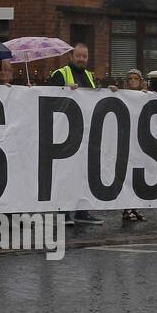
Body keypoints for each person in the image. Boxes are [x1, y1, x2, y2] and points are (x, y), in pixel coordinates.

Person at [49, 44, 103, 225]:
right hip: (64, 133)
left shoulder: (90, 76)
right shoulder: (60, 74)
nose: (81, 60)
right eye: (78, 56)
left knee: (84, 173)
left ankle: (82, 211)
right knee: (65, 173)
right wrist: (64, 90)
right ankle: (63, 212)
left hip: (86, 132)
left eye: (85, 57)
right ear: (71, 57)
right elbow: (47, 98)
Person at [119, 69, 151, 222]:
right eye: (129, 78)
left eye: (135, 79)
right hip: (127, 140)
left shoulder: (144, 95)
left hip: (140, 140)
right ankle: (126, 209)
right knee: (127, 175)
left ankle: (134, 207)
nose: (132, 81)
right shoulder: (122, 94)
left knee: (138, 176)